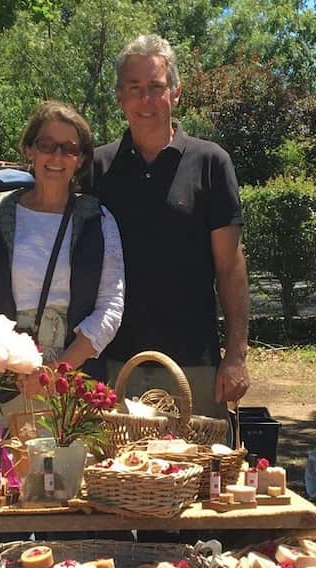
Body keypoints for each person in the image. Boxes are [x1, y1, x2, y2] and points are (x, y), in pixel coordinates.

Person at [90, 34, 250, 417]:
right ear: (119, 97)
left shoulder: (211, 163)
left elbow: (230, 267)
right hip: (111, 364)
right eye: (135, 88)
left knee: (199, 473)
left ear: (175, 92)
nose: (146, 99)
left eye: (156, 87)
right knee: (117, 476)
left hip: (193, 364)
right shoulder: (95, 168)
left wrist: (236, 356)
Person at [0, 100, 125, 378]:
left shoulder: (99, 220)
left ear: (81, 159)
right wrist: (10, 363)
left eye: (69, 148)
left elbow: (110, 305)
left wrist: (56, 373)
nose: (57, 157)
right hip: (4, 379)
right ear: (30, 150)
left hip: (74, 382)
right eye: (47, 145)